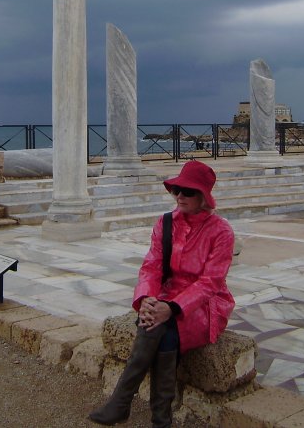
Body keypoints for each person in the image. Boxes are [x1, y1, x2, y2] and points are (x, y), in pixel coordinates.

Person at [88, 160, 235, 427]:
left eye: (188, 191)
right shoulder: (166, 223)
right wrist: (147, 299)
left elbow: (211, 282)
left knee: (159, 327)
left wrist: (173, 308)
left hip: (205, 305)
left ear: (204, 197)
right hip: (166, 295)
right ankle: (157, 418)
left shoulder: (221, 231)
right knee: (152, 322)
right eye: (177, 189)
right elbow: (152, 266)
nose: (180, 196)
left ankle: (124, 403)